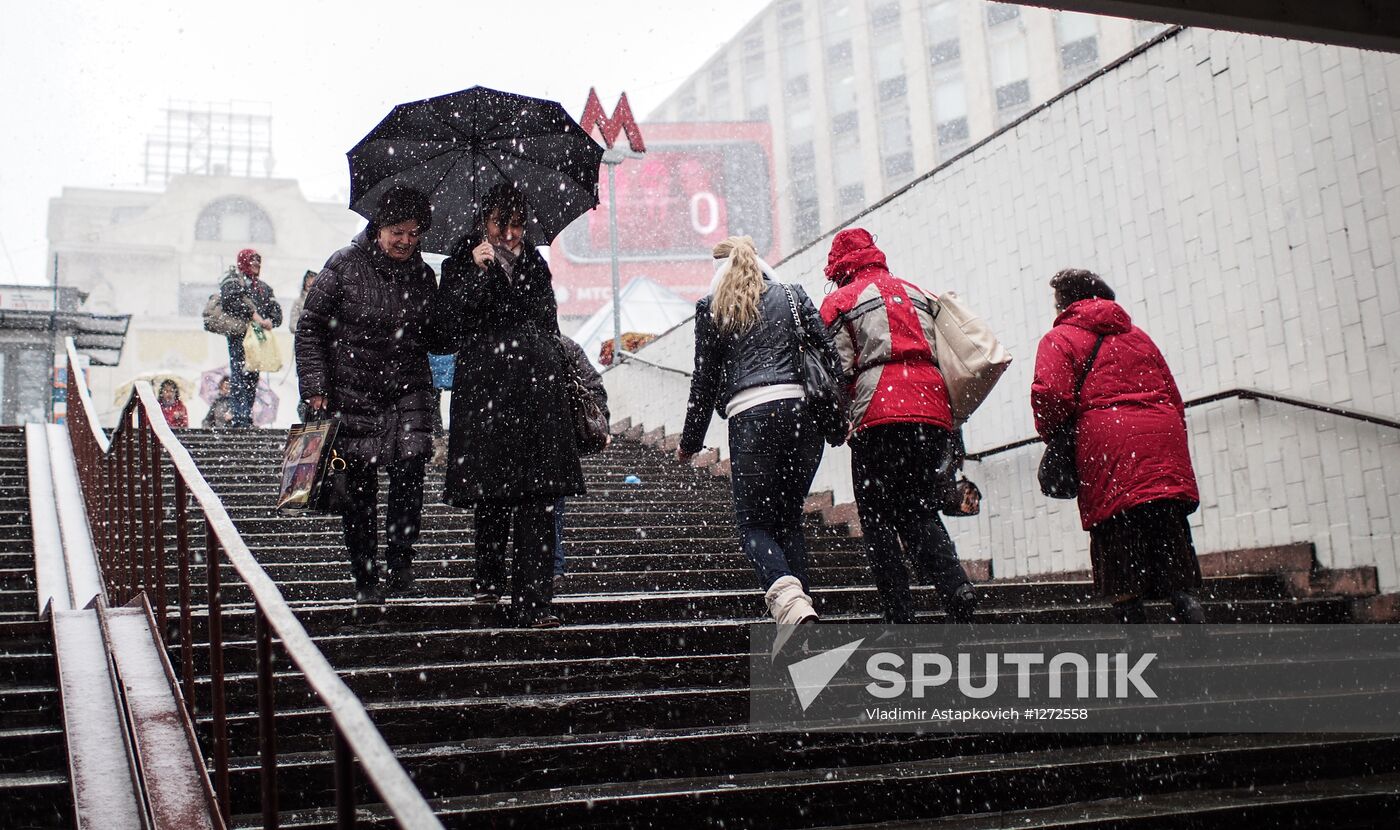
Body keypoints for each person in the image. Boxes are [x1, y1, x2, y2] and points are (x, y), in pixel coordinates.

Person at [438, 183, 583, 628]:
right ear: (484, 221)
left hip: (537, 391)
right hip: (487, 393)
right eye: (504, 223)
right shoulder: (461, 263)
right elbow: (446, 329)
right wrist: (479, 274)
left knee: (538, 496)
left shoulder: (536, 265)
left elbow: (548, 323)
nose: (513, 233)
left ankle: (535, 604)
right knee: (494, 492)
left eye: (518, 224)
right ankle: (488, 577)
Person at [819, 228, 980, 624]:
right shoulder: (917, 292)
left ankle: (899, 612)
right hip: (932, 411)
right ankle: (954, 583)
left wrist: (835, 421)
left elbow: (835, 368)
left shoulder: (840, 301)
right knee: (918, 509)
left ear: (839, 265)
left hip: (880, 416)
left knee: (876, 518)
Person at [676, 236, 840, 625]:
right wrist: (839, 416)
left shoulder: (711, 308)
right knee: (788, 519)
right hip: (803, 419)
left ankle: (789, 601)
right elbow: (830, 356)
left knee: (755, 525)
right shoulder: (792, 294)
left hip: (752, 420)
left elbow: (704, 381)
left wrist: (690, 443)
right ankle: (803, 610)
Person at [1031, 269, 1205, 624]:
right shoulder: (1139, 337)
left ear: (1066, 302)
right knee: (1165, 525)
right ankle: (1187, 606)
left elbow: (1050, 394)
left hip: (1107, 442)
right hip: (1161, 437)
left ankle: (1134, 628)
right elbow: (1173, 395)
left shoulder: (1060, 338)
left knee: (1117, 530)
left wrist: (1055, 434)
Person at [295, 186, 441, 604]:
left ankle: (400, 562)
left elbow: (437, 335)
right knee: (359, 491)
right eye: (398, 231)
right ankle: (365, 575)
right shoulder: (343, 265)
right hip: (353, 393)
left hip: (408, 393)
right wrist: (317, 388)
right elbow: (311, 329)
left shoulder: (423, 275)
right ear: (379, 227)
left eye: (415, 233)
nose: (407, 241)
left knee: (409, 481)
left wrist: (465, 283)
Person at [553, 334, 610, 589]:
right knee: (551, 505)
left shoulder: (510, 344)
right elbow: (593, 385)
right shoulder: (562, 344)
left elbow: (592, 386)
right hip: (557, 439)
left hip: (541, 439)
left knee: (542, 505)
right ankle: (552, 568)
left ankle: (548, 567)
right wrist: (601, 422)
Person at [219, 247, 282, 428]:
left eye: (258, 262)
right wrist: (253, 315)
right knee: (239, 374)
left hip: (257, 340)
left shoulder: (264, 288)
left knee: (252, 376)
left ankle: (245, 415)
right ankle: (240, 416)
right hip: (239, 337)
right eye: (252, 261)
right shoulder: (233, 281)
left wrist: (269, 321)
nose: (256, 265)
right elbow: (230, 301)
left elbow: (276, 312)